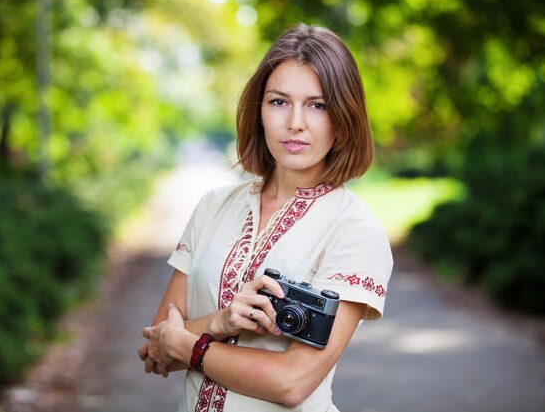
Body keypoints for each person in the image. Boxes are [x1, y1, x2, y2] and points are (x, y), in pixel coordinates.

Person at [138, 22, 393, 412]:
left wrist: (188, 342)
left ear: (344, 118)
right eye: (279, 101)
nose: (295, 123)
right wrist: (219, 323)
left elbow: (291, 382)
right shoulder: (213, 206)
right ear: (258, 111)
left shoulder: (355, 232)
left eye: (318, 105)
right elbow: (157, 352)